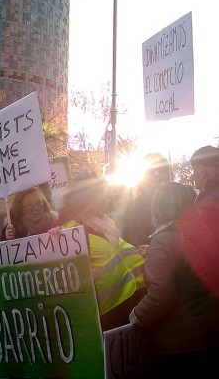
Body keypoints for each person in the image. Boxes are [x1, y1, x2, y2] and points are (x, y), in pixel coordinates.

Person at [129, 181, 219, 377]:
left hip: (180, 342)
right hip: (210, 330)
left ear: (159, 206)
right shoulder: (200, 229)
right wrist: (155, 251)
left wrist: (136, 316)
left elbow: (160, 296)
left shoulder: (163, 241)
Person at [49, 176, 146, 331]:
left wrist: (146, 253)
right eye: (102, 194)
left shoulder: (106, 224)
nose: (107, 198)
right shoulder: (69, 233)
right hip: (108, 314)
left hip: (131, 302)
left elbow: (119, 255)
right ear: (87, 199)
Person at [121, 153, 171, 248]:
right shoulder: (136, 208)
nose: (157, 174)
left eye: (162, 170)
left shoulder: (176, 203)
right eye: (151, 171)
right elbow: (136, 246)